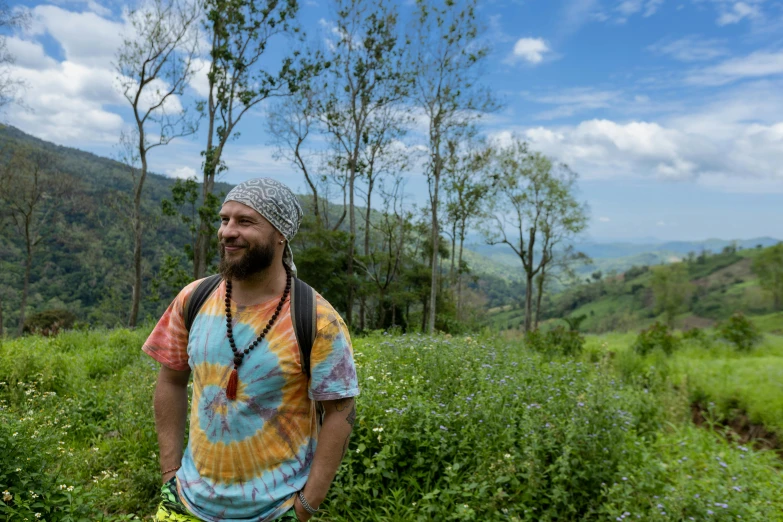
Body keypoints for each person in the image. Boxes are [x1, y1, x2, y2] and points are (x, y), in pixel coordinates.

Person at [142, 178, 359, 522]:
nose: (227, 231)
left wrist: (306, 505)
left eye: (245, 221)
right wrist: (170, 472)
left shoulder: (318, 320)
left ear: (280, 234)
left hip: (274, 511)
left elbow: (340, 412)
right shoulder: (193, 299)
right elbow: (170, 381)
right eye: (225, 219)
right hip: (183, 502)